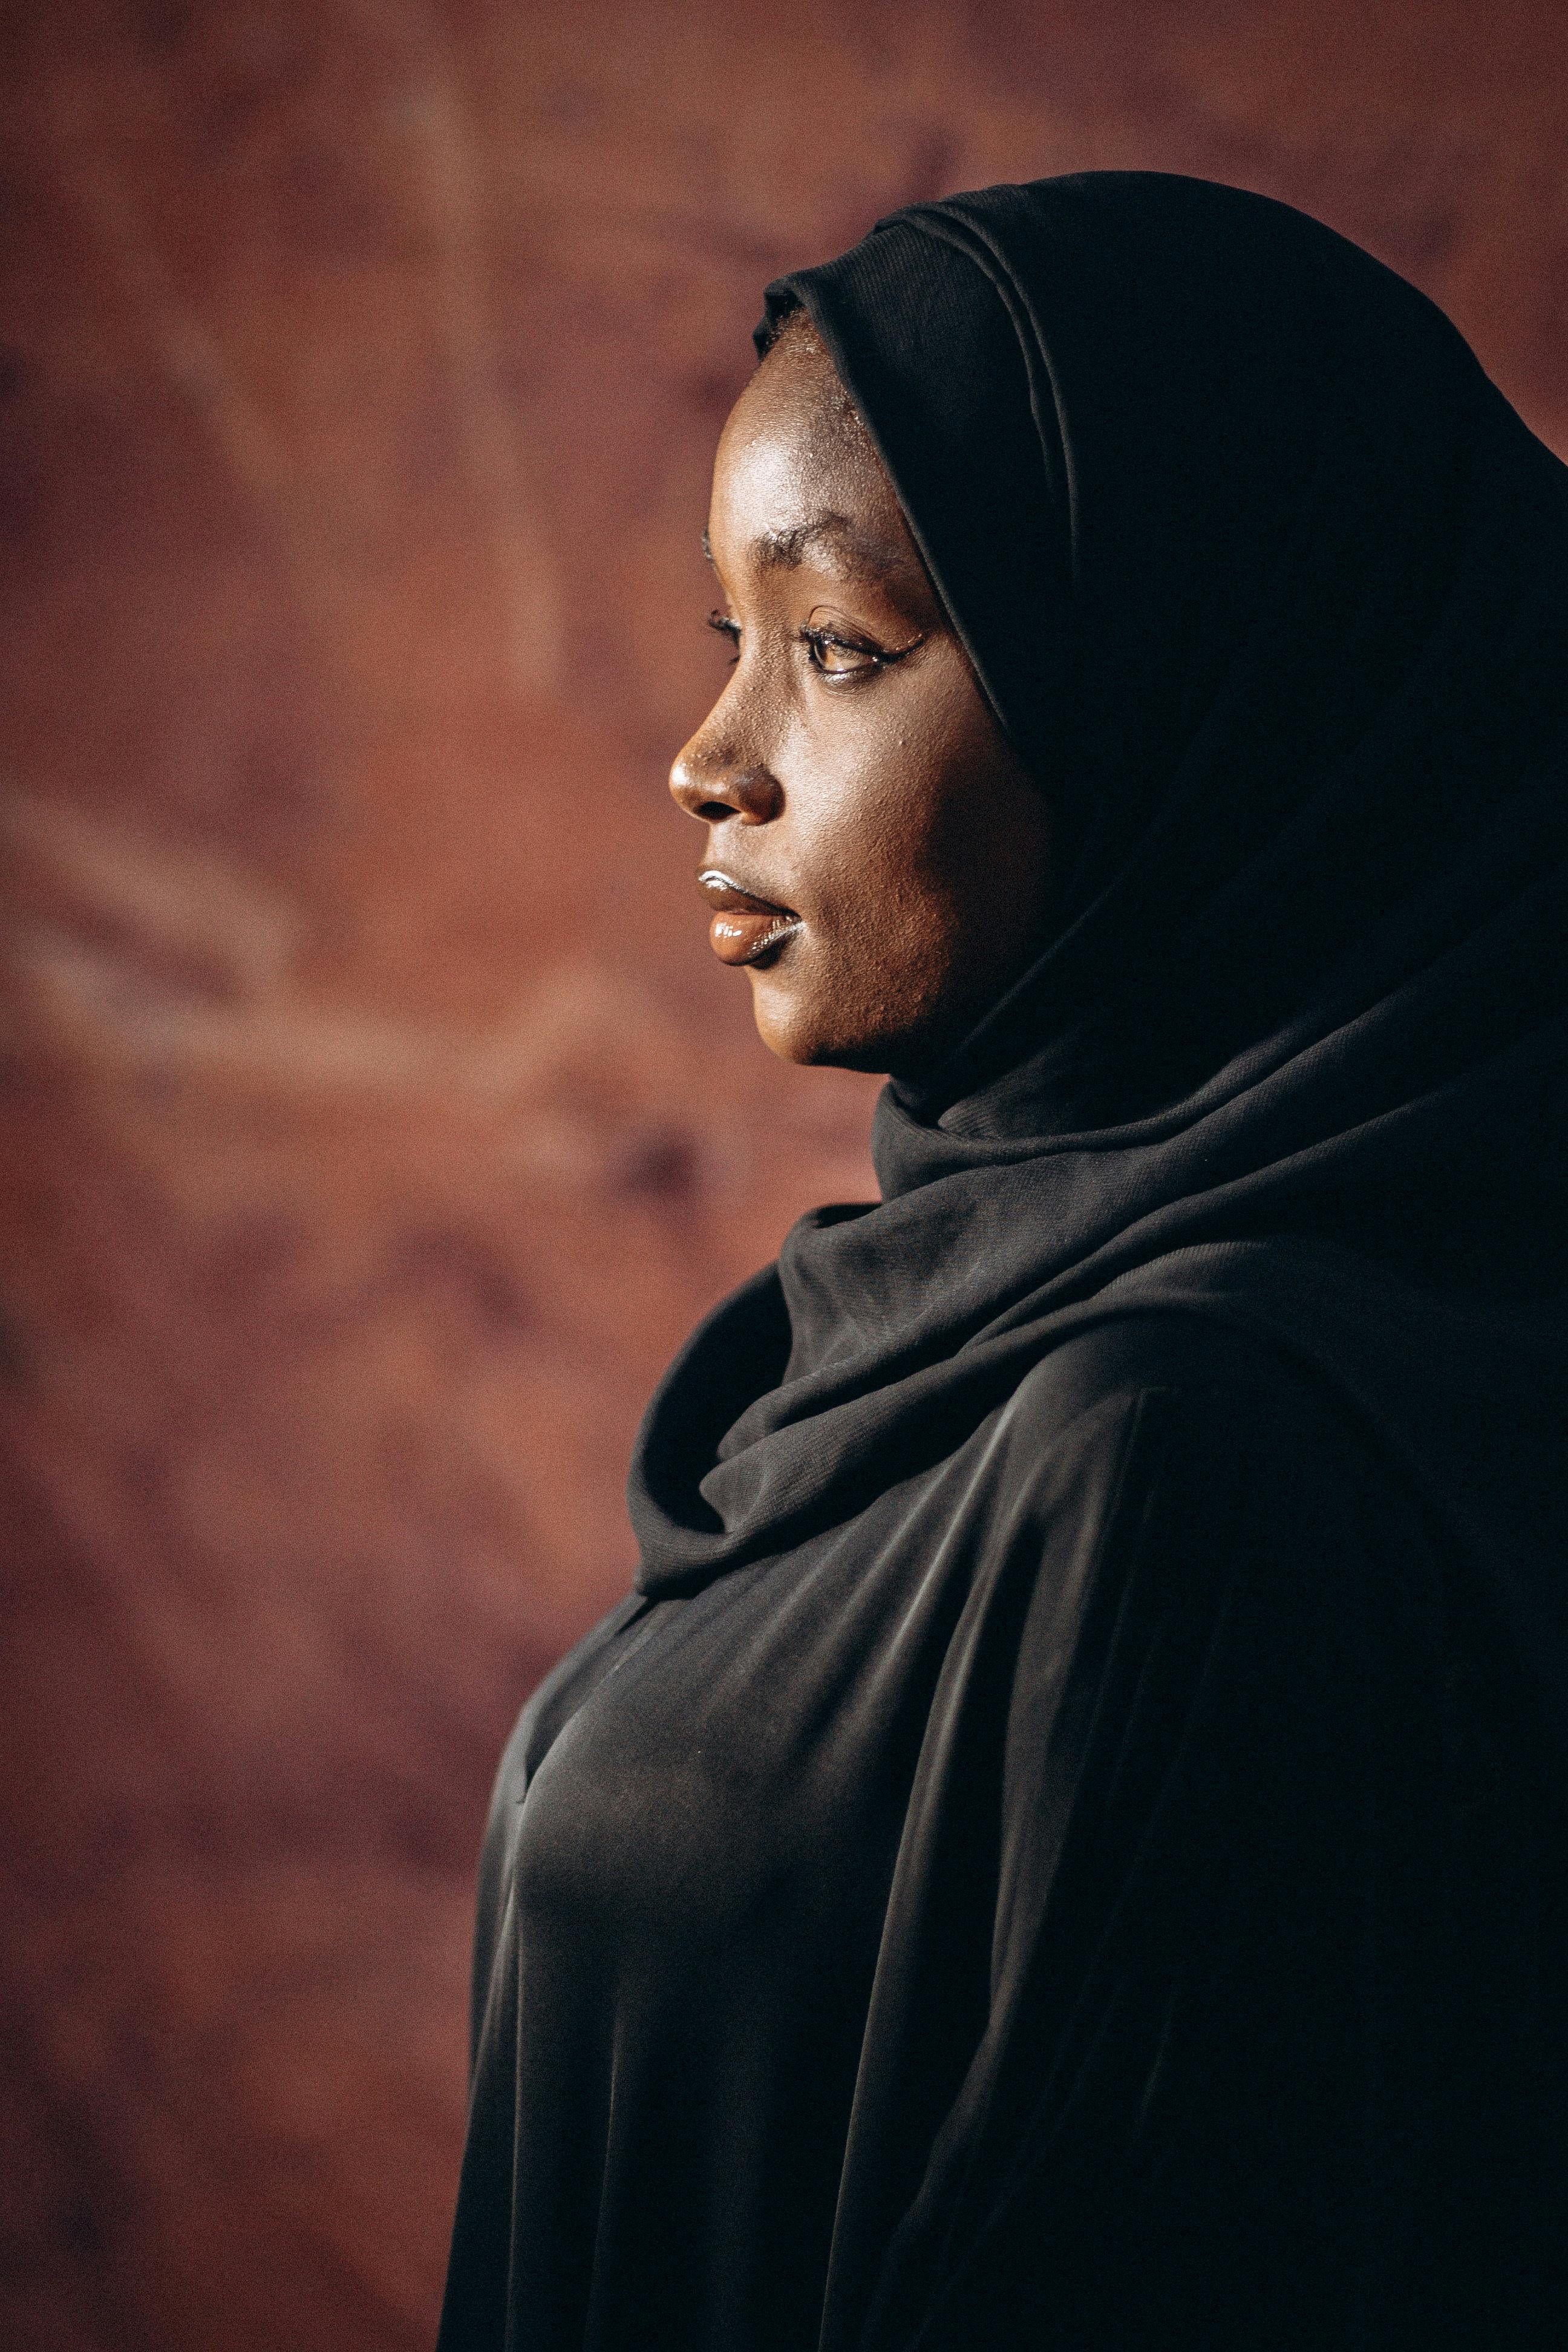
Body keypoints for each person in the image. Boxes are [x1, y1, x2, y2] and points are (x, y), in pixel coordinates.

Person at [436, 174, 1568, 2350]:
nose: (711, 761)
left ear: (1204, 696)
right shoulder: (905, 1365)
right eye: (726, 643)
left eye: (839, 648)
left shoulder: (1196, 1461)